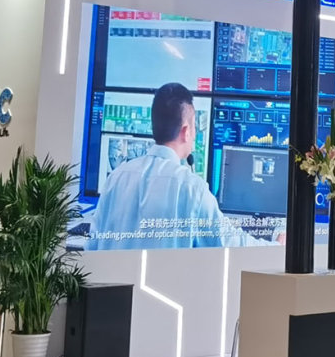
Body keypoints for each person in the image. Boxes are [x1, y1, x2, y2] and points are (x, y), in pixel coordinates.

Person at [91, 82, 256, 250]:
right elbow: (228, 243)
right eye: (194, 127)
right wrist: (271, 247)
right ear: (186, 131)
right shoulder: (192, 189)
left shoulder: (115, 178)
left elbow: (92, 246)